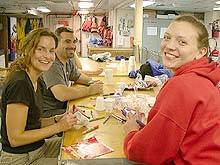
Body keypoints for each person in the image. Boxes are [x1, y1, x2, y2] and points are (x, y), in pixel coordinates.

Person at [123, 15, 220, 164]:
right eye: (167, 38)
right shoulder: (204, 81)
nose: (169, 46)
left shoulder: (182, 85)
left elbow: (147, 151)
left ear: (201, 52)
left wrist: (131, 132)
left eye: (182, 42)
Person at [0, 28, 78, 165]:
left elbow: (33, 123)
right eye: (40, 49)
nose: (47, 56)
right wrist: (59, 127)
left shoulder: (37, 79)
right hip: (21, 158)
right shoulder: (20, 84)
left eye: (51, 50)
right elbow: (15, 138)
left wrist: (57, 119)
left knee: (79, 145)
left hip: (38, 148)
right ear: (28, 50)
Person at [41, 27, 103, 117]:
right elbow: (61, 94)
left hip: (63, 106)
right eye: (67, 41)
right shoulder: (52, 64)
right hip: (49, 114)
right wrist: (89, 90)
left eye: (74, 42)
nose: (73, 46)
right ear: (56, 43)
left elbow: (78, 76)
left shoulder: (67, 60)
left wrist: (92, 82)